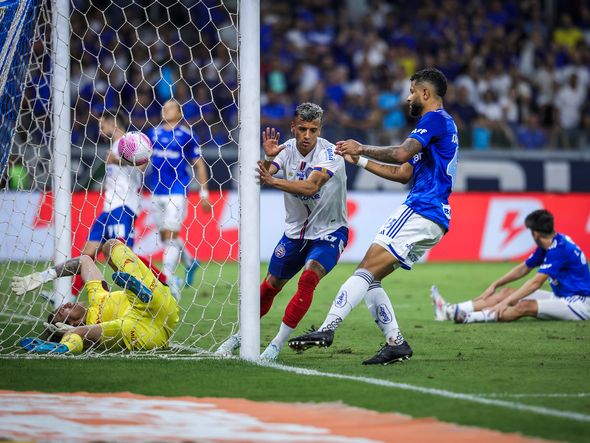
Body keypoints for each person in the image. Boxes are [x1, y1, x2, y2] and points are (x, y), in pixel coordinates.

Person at [289, 68, 459, 365]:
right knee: (372, 278)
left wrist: (361, 146)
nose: (408, 98)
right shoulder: (439, 127)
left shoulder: (433, 120)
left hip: (422, 208)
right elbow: (403, 172)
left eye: (411, 91)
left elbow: (400, 155)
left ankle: (327, 329)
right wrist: (360, 160)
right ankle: (396, 343)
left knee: (364, 269)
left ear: (425, 94)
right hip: (434, 217)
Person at [215, 102, 349, 360]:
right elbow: (264, 175)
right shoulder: (286, 149)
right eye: (302, 129)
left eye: (313, 130)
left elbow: (311, 187)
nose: (307, 136)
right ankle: (240, 336)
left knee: (309, 278)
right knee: (271, 285)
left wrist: (273, 180)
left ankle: (276, 344)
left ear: (320, 129)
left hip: (329, 231)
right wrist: (267, 158)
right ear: (293, 128)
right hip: (295, 234)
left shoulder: (331, 155)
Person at [13, 239, 179, 354]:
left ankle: (137, 287)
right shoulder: (91, 329)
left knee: (109, 246)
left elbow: (84, 261)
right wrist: (69, 336)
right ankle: (61, 348)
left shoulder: (96, 296)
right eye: (61, 313)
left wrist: (45, 276)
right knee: (87, 332)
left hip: (155, 304)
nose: (64, 306)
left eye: (60, 307)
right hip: (144, 332)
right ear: (70, 323)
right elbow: (81, 334)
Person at [432, 210, 590, 323]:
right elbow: (523, 269)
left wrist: (506, 302)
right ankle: (450, 310)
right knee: (506, 292)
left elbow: (535, 283)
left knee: (524, 306)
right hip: (561, 296)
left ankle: (469, 318)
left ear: (535, 233)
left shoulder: (559, 249)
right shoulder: (550, 244)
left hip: (579, 303)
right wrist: (495, 285)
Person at [70, 111, 145, 300]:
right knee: (87, 253)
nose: (100, 129)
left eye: (102, 125)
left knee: (122, 258)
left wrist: (117, 160)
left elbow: (143, 164)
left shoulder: (129, 141)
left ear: (113, 123)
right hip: (108, 208)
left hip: (124, 206)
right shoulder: (113, 145)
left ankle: (143, 293)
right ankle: (67, 297)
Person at [145, 99, 211, 298]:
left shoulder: (187, 135)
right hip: (156, 191)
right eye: (164, 107)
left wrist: (204, 193)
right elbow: (143, 159)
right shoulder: (153, 133)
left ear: (179, 112)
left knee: (171, 235)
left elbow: (199, 164)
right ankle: (190, 261)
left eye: (171, 107)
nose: (165, 109)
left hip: (177, 190)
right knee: (167, 237)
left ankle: (168, 278)